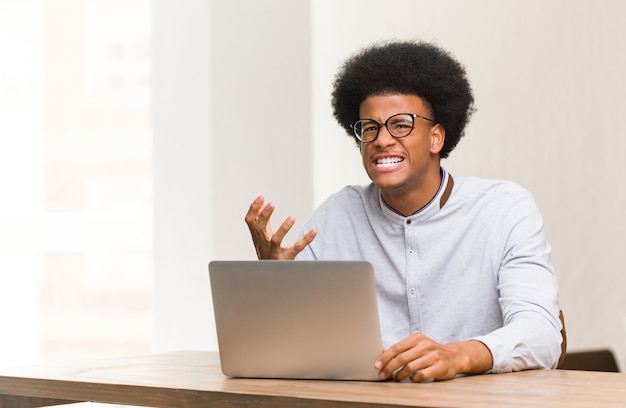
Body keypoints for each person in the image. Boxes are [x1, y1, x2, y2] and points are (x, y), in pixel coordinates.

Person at [245, 40, 562, 382]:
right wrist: (275, 284)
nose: (382, 140)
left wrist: (458, 355)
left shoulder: (503, 209)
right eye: (370, 128)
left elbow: (543, 334)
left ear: (436, 137)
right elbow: (285, 347)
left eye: (401, 124)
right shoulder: (338, 215)